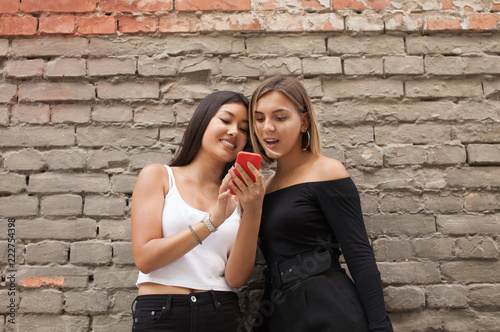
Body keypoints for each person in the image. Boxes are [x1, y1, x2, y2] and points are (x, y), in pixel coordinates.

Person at [248, 76, 393, 332]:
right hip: (279, 312)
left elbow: (359, 255)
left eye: (280, 117)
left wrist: (380, 326)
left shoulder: (328, 171)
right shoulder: (264, 187)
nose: (267, 127)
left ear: (303, 121)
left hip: (329, 309)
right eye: (259, 118)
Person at [130, 91, 265, 331]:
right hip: (160, 311)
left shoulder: (240, 197)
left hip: (221, 310)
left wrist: (253, 210)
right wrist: (213, 221)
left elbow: (235, 278)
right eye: (225, 120)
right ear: (203, 122)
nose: (234, 131)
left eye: (243, 129)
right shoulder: (159, 176)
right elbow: (145, 259)